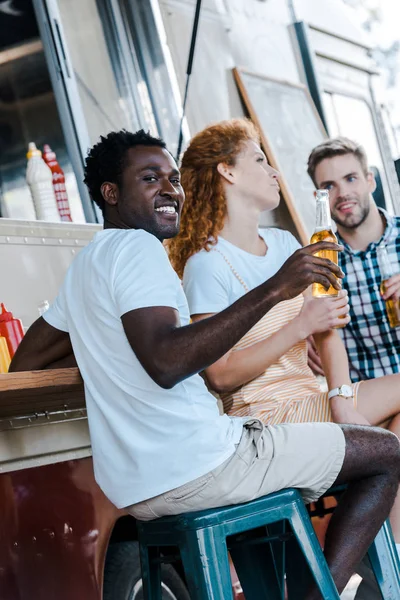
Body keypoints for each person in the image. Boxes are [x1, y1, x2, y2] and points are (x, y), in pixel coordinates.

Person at [9, 129, 400, 599]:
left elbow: (27, 360)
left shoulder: (89, 262)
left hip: (137, 486)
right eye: (149, 179)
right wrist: (276, 288)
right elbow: (167, 361)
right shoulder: (138, 249)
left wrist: (102, 337)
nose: (169, 189)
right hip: (203, 463)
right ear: (110, 194)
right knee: (384, 454)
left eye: (173, 178)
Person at [168, 118, 400, 549]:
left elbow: (328, 324)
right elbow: (218, 377)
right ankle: (380, 559)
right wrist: (298, 326)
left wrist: (341, 398)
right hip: (264, 419)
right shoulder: (206, 265)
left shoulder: (284, 244)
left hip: (311, 399)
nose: (275, 172)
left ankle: (387, 558)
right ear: (228, 172)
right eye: (260, 159)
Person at [307, 137, 400, 382]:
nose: (343, 194)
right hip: (369, 405)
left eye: (351, 178)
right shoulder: (319, 264)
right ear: (319, 196)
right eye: (329, 186)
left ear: (370, 180)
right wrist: (303, 336)